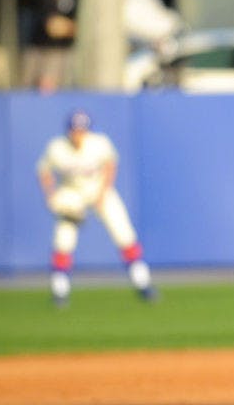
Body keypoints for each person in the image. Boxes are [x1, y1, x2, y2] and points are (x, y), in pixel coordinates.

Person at [37, 110, 157, 306]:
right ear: (68, 131)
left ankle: (143, 284)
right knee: (63, 240)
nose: (78, 134)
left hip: (99, 189)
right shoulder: (57, 148)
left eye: (82, 130)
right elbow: (44, 170)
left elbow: (110, 164)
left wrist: (103, 193)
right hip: (72, 193)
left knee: (124, 234)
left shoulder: (98, 143)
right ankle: (60, 291)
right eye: (75, 130)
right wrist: (50, 195)